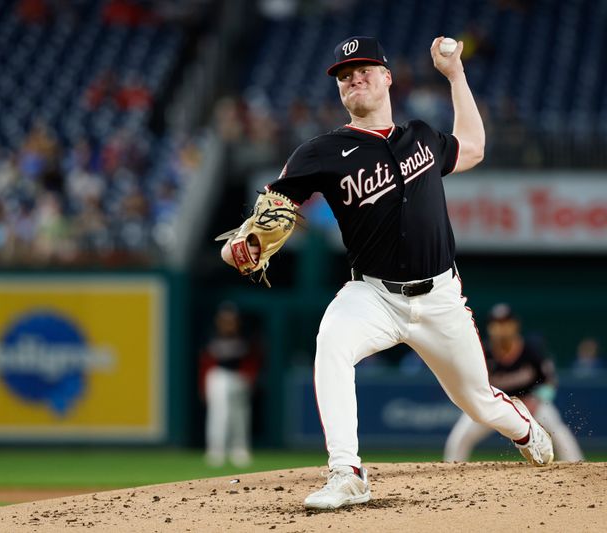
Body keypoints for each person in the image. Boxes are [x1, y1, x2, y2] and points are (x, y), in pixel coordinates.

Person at [220, 36, 554, 510]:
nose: (354, 78)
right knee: (331, 341)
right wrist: (242, 248)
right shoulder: (322, 151)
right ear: (339, 90)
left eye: (363, 69)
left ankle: (524, 429)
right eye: (344, 75)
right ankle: (347, 472)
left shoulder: (422, 136)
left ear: (387, 77)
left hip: (440, 297)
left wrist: (455, 74)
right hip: (373, 295)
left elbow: (475, 148)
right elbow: (273, 207)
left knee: (476, 401)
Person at [444, 303, 584, 462]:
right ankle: (451, 475)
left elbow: (549, 381)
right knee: (460, 437)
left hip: (530, 405)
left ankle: (578, 469)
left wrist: (538, 399)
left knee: (559, 433)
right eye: (496, 324)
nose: (501, 328)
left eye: (506, 323)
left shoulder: (531, 351)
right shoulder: (483, 353)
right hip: (493, 405)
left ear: (515, 325)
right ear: (490, 328)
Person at [198, 302, 261, 468]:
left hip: (239, 376)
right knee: (219, 414)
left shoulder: (245, 337)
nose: (228, 322)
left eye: (231, 319)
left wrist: (250, 378)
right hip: (218, 375)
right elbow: (205, 361)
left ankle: (239, 449)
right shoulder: (210, 336)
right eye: (225, 319)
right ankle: (216, 450)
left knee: (240, 415)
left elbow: (253, 359)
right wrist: (203, 386)